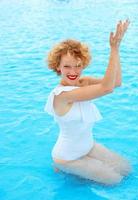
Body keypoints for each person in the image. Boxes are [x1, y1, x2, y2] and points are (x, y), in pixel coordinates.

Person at [44, 19, 131, 185]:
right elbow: (107, 88)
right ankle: (64, 170)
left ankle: (80, 172)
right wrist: (112, 49)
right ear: (58, 67)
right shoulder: (61, 95)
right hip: (67, 158)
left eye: (78, 66)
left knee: (126, 170)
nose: (73, 72)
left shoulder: (83, 82)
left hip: (88, 147)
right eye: (67, 66)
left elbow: (116, 82)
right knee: (114, 181)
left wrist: (117, 49)